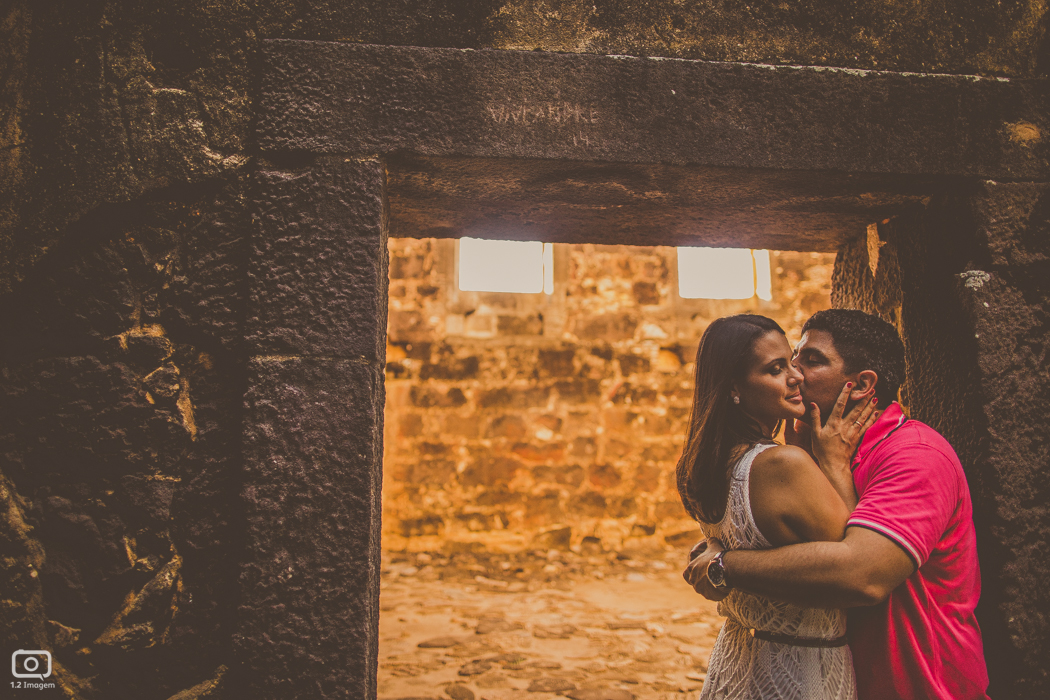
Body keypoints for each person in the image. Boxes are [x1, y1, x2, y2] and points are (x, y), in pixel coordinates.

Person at [683, 309, 990, 700]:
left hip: (916, 685)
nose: (795, 373)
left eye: (811, 360)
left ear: (861, 384)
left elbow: (861, 575)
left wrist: (724, 563)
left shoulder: (914, 456)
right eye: (791, 359)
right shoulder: (799, 453)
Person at [675, 314, 879, 700]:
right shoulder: (783, 465)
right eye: (775, 369)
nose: (796, 376)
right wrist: (834, 460)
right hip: (799, 671)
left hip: (735, 660)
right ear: (734, 387)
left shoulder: (711, 463)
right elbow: (853, 565)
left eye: (792, 362)